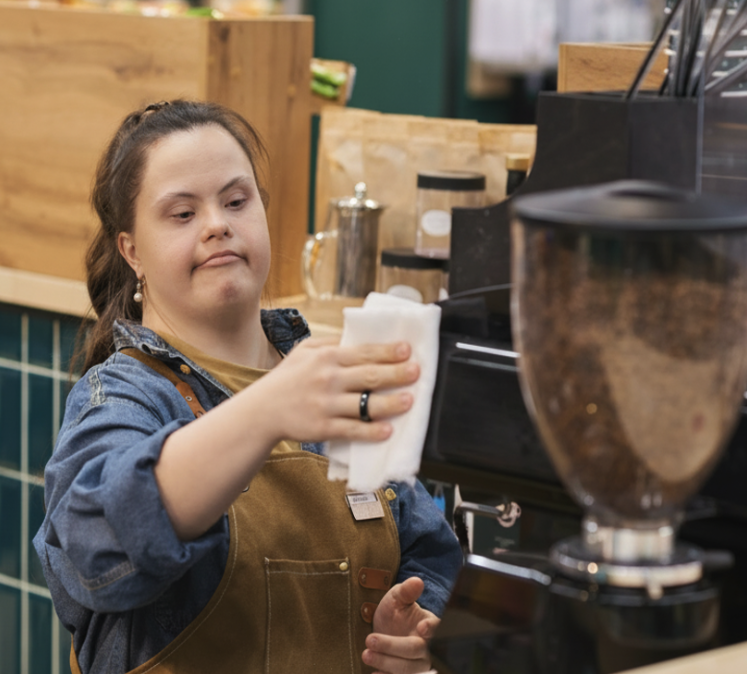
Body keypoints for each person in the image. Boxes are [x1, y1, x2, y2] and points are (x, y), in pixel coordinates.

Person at [33, 99, 461, 674]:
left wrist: (416, 632)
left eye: (236, 201)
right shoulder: (125, 396)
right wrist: (266, 411)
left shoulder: (325, 376)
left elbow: (431, 555)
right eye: (182, 214)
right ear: (131, 250)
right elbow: (95, 547)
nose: (217, 224)